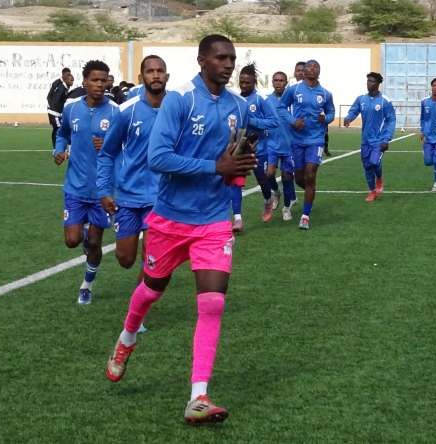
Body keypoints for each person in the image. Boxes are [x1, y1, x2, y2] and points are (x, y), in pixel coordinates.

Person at [103, 34, 257, 426]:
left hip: (214, 220)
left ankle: (198, 396)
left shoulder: (239, 106)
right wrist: (214, 168)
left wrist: (241, 163)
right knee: (151, 289)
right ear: (202, 59)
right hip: (171, 218)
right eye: (221, 57)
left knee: (212, 302)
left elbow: (229, 158)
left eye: (232, 59)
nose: (228, 64)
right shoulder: (180, 100)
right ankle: (127, 339)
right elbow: (158, 158)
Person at [53, 60, 120, 304]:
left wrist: (112, 147)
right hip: (75, 187)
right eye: (95, 80)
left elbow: (126, 148)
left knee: (95, 242)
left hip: (101, 191)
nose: (99, 84)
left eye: (103, 80)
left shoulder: (114, 112)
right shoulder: (71, 109)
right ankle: (80, 230)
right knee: (72, 241)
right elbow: (62, 134)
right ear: (85, 82)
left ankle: (87, 285)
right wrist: (58, 151)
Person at [96, 55, 169, 279]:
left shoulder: (177, 109)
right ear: (141, 77)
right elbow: (107, 153)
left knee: (151, 257)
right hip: (128, 195)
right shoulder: (127, 111)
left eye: (160, 71)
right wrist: (103, 190)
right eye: (150, 71)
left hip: (160, 196)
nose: (155, 75)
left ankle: (140, 308)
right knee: (125, 258)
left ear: (166, 76)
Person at [279, 60, 335, 230]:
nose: (312, 69)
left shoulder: (325, 93)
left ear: (319, 71)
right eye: (309, 67)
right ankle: (310, 191)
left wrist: (325, 118)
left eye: (316, 67)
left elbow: (331, 112)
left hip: (316, 140)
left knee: (310, 174)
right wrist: (293, 121)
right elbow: (281, 107)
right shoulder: (294, 90)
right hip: (297, 140)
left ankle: (305, 216)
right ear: (304, 71)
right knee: (300, 178)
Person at [229, 63, 279, 232]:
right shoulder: (235, 100)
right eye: (241, 82)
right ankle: (237, 219)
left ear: (254, 82)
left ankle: (268, 200)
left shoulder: (260, 100)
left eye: (247, 82)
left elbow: (274, 122)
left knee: (262, 179)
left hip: (259, 148)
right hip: (240, 149)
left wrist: (253, 121)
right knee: (235, 183)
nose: (244, 85)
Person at [343, 72, 396, 202]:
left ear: (378, 84)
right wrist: (349, 118)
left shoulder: (385, 101)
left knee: (374, 162)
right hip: (365, 140)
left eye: (372, 81)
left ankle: (379, 178)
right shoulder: (361, 99)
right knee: (367, 166)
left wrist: (386, 139)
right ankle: (372, 191)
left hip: (378, 141)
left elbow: (391, 120)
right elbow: (354, 110)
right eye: (368, 81)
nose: (369, 83)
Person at [265, 71, 298, 221]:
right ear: (272, 82)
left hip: (289, 146)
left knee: (286, 176)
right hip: (272, 144)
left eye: (281, 80)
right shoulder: (266, 102)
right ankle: (276, 192)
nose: (278, 83)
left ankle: (286, 208)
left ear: (286, 83)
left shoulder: (292, 101)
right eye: (276, 80)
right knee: (269, 174)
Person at [46, 68, 73, 150]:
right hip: (55, 113)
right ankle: (60, 149)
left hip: (54, 112)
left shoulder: (65, 87)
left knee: (56, 129)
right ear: (64, 76)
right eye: (70, 79)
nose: (72, 81)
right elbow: (53, 99)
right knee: (60, 129)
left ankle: (56, 149)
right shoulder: (60, 86)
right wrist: (56, 111)